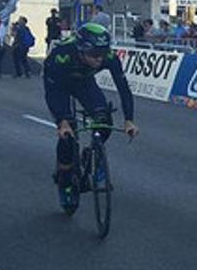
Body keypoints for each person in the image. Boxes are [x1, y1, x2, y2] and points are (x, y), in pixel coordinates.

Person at [42, 24, 139, 209]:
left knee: (104, 121)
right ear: (81, 49)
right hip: (60, 84)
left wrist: (129, 120)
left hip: (85, 83)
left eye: (102, 54)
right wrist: (61, 121)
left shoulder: (108, 56)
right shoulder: (61, 55)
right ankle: (64, 181)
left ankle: (89, 154)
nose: (99, 59)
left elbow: (123, 88)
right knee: (67, 137)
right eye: (94, 54)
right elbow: (52, 92)